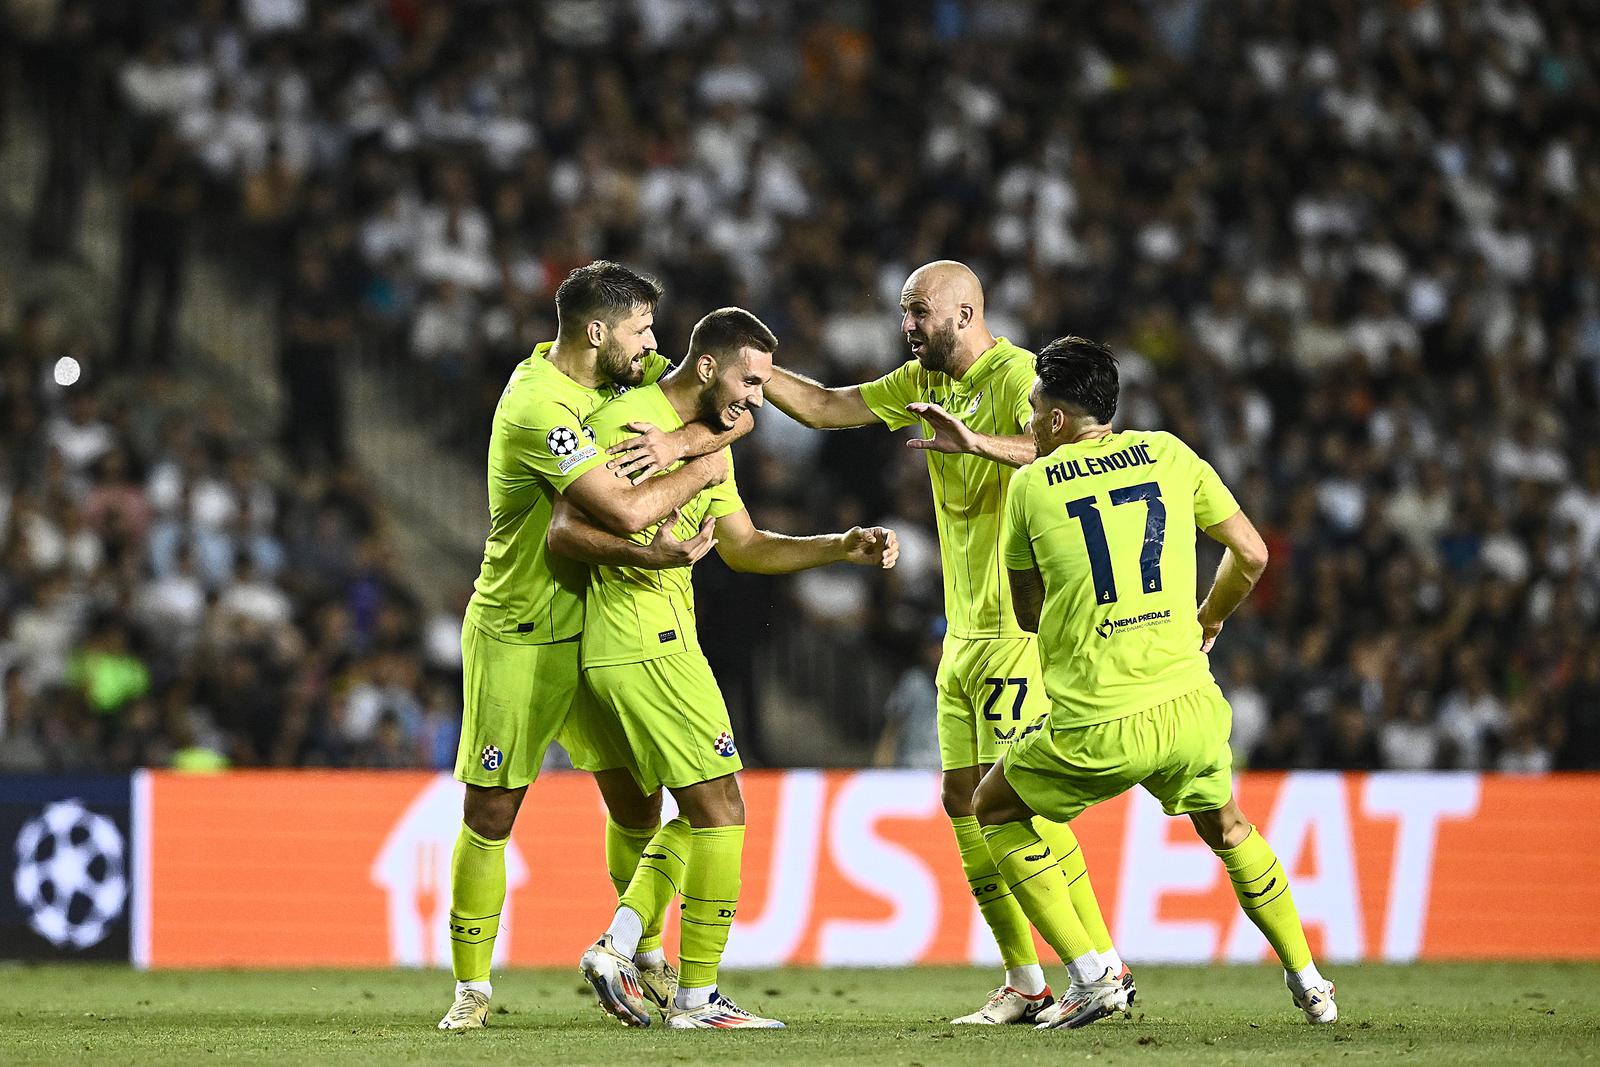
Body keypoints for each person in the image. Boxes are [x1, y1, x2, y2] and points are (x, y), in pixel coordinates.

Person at [763, 260, 1126, 1024]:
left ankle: (1099, 969)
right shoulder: (924, 381)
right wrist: (753, 370)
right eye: (903, 312)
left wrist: (979, 444)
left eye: (917, 312)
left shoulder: (1019, 375)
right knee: (962, 799)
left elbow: (1073, 451)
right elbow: (830, 407)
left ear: (964, 314)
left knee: (1017, 810)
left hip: (1014, 631)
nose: (907, 327)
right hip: (961, 634)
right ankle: (1025, 980)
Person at [973, 336, 1338, 1029]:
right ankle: (1311, 981)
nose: (1026, 422)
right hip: (1191, 708)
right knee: (1229, 826)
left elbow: (1026, 613)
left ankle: (1090, 975)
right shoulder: (1170, 453)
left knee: (993, 805)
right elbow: (1253, 553)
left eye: (1031, 409)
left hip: (1099, 720)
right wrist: (1210, 617)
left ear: (1055, 420)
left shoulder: (1029, 486)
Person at [553, 307, 898, 1029]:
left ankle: (621, 945)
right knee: (722, 809)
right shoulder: (630, 424)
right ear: (706, 367)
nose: (756, 398)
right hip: (642, 639)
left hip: (654, 640)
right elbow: (591, 520)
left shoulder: (707, 436)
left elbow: (743, 546)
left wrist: (841, 545)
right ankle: (695, 996)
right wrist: (696, 458)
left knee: (704, 809)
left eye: (766, 384)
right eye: (749, 379)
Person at [437, 263, 752, 1031]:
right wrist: (707, 460)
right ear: (595, 332)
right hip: (519, 627)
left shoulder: (608, 391)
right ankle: (472, 988)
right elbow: (620, 507)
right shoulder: (537, 406)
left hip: (597, 629)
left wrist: (710, 424)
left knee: (638, 803)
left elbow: (704, 397)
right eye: (641, 329)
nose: (652, 342)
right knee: (492, 808)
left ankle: (637, 953)